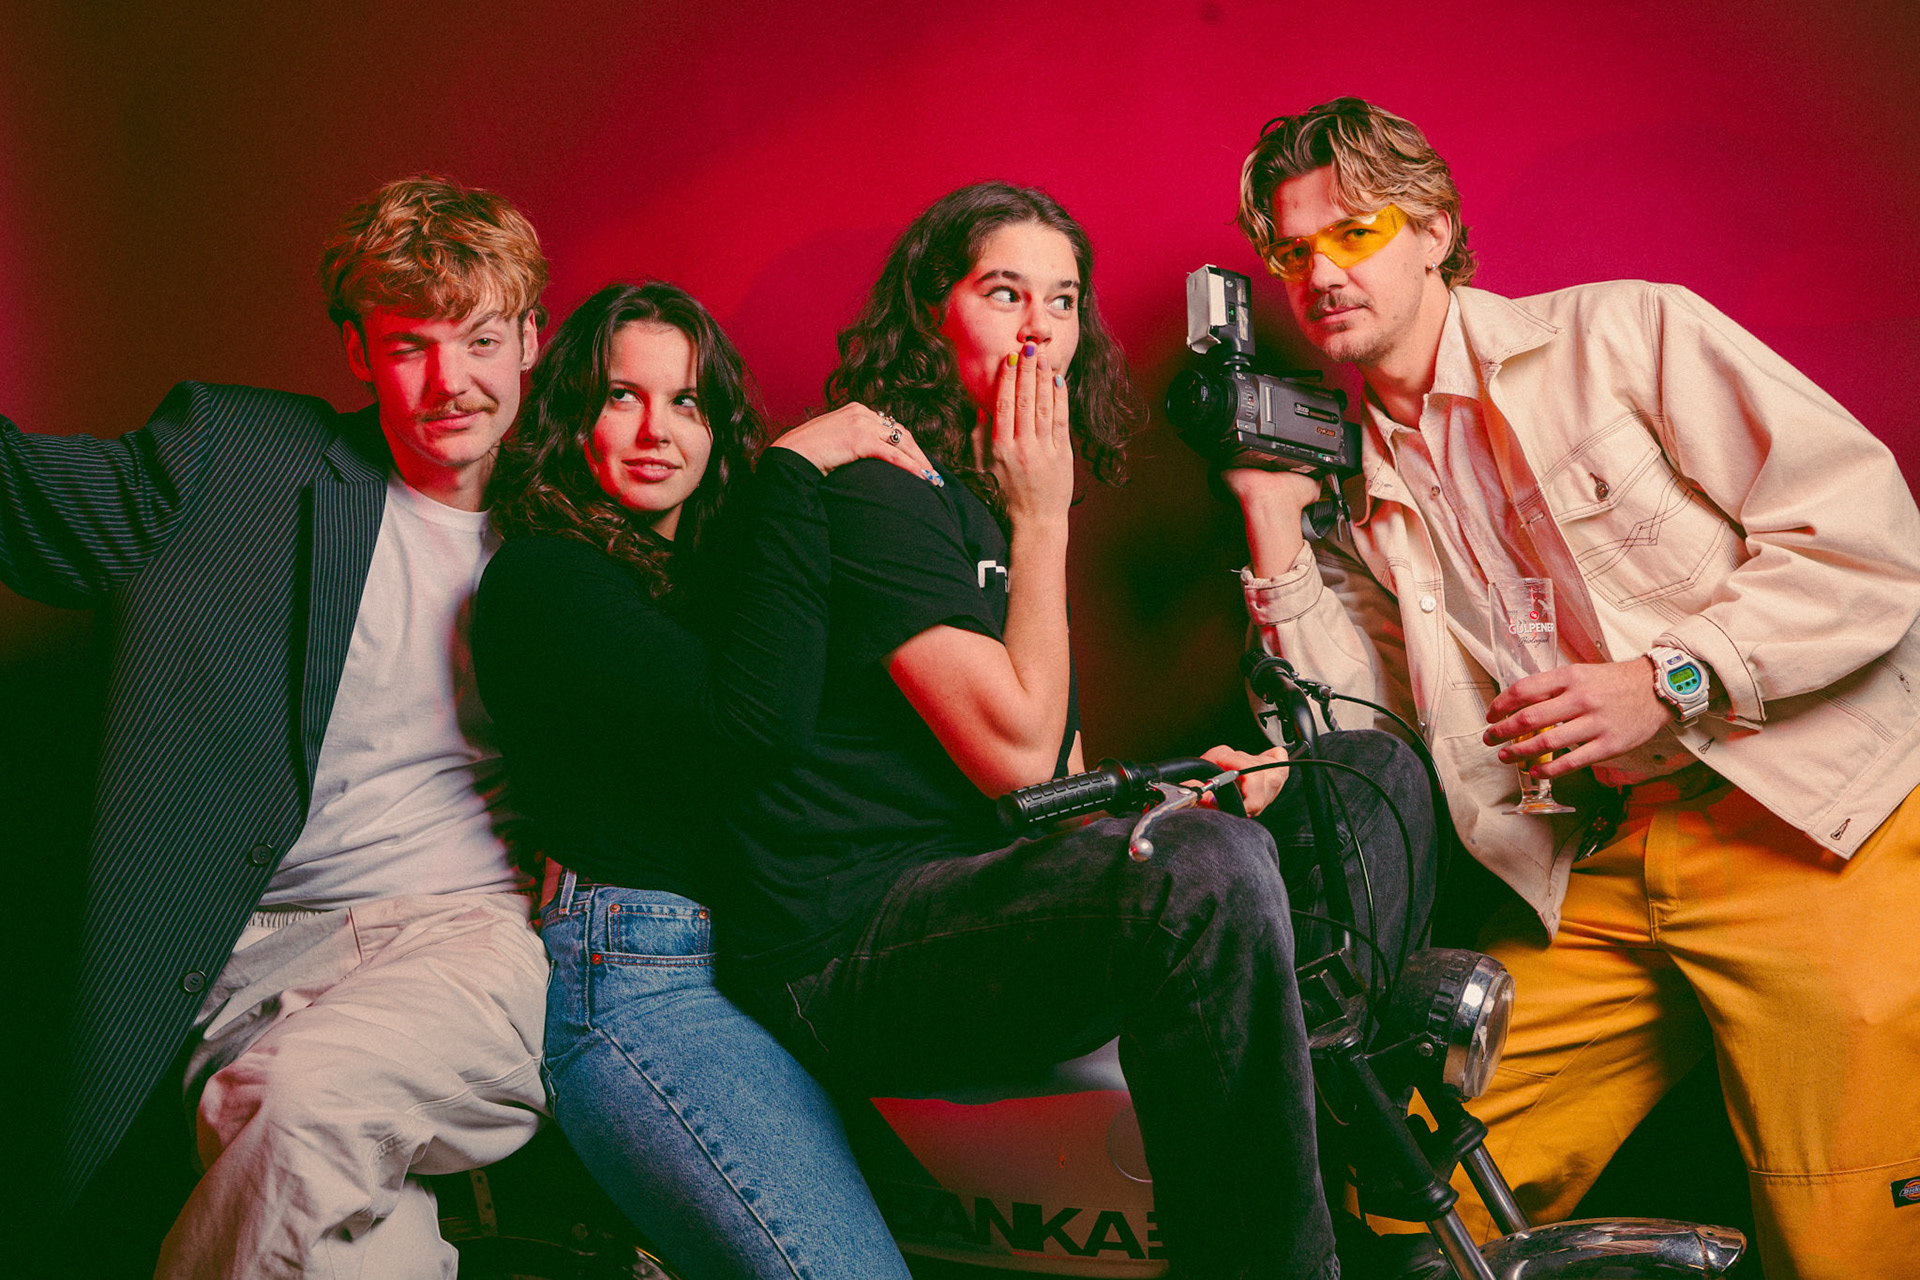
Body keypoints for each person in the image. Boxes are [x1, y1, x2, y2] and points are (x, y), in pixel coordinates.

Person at [1227, 97, 1920, 1279]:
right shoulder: (1349, 482)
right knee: (1408, 1183)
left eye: (1353, 231)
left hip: (1801, 822)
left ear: (1434, 229)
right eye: (1293, 253)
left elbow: (1869, 541)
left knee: (1845, 1227)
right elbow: (1363, 725)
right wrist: (1273, 526)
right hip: (1596, 861)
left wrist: (1668, 679)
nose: (1320, 273)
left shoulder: (1626, 334)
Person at [724, 180, 1432, 1280]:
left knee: (1367, 769)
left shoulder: (981, 493)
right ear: (932, 313)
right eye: (1005, 293)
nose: (1040, 329)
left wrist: (1170, 795)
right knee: (1201, 868)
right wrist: (1041, 514)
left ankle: (1334, 1139)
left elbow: (1055, 786)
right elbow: (1019, 762)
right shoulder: (879, 489)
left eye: (1062, 300)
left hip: (982, 888)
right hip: (851, 948)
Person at [2, 175, 555, 1276]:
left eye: (482, 339)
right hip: (257, 952)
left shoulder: (580, 519)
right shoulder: (240, 463)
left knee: (297, 1101)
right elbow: (24, 497)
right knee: (346, 1235)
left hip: (466, 937)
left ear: (531, 340)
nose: (451, 381)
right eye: (410, 346)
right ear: (357, 353)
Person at [471, 279, 942, 1278]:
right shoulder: (545, 576)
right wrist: (792, 468)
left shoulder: (696, 579)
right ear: (571, 418)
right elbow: (757, 730)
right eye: (621, 396)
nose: (657, 431)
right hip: (639, 971)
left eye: (687, 401)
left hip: (762, 954)